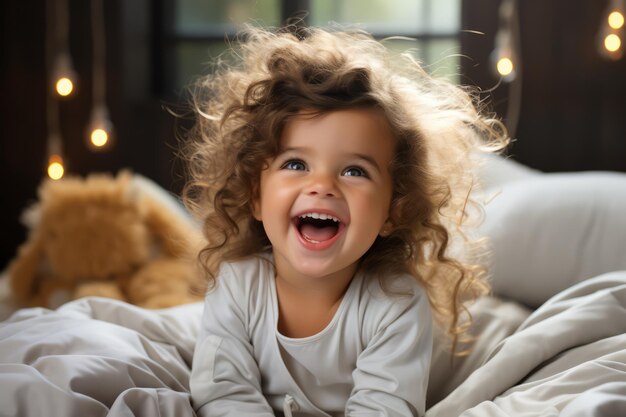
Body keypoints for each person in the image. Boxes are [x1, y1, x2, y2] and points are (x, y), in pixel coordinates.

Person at [183, 24, 508, 417]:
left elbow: (385, 408)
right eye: (296, 163)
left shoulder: (396, 305)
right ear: (255, 196)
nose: (322, 185)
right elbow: (222, 394)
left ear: (393, 210)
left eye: (354, 171)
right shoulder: (237, 286)